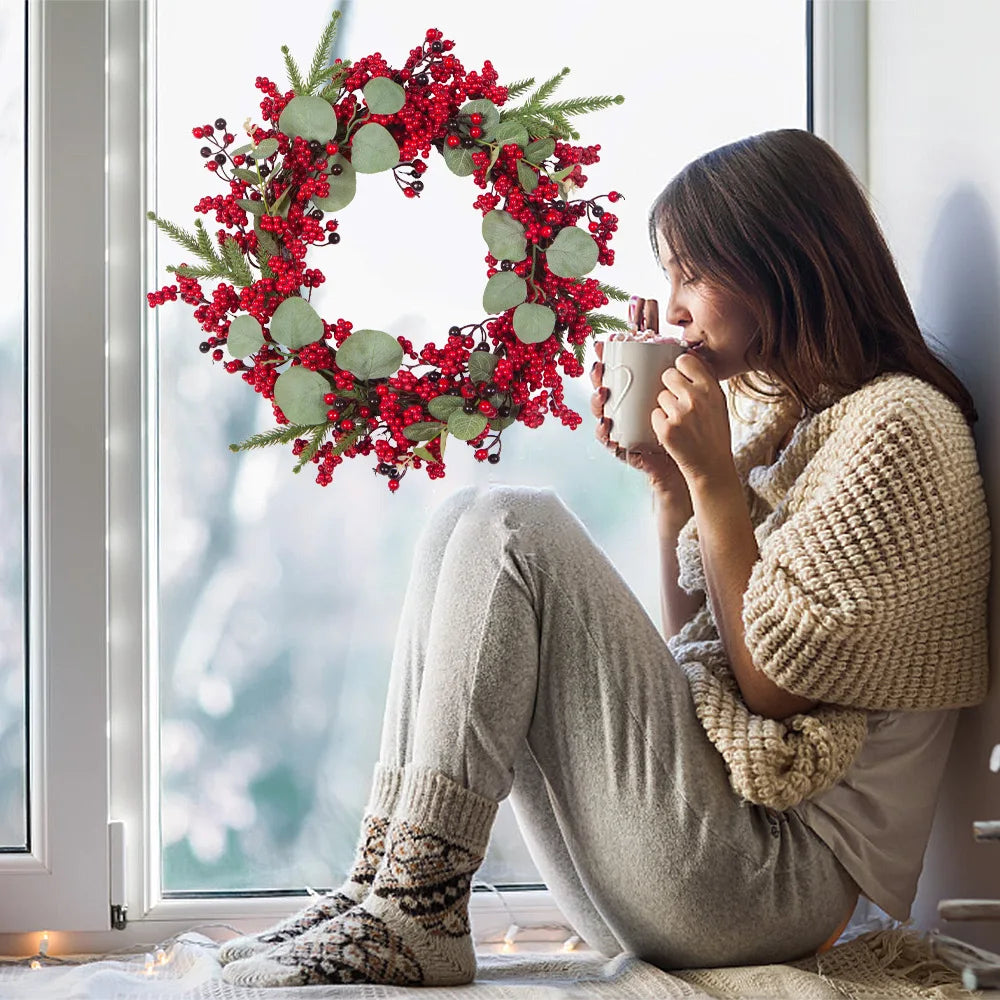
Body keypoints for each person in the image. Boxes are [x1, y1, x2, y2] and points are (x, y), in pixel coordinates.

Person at [220, 128, 991, 989]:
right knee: (462, 521)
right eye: (671, 277)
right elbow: (708, 650)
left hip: (779, 884)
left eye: (693, 273)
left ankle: (415, 908)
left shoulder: (901, 428)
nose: (677, 305)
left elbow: (776, 687)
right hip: (709, 874)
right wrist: (672, 484)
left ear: (785, 262)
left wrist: (713, 479)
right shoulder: (800, 428)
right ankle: (389, 885)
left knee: (518, 525)